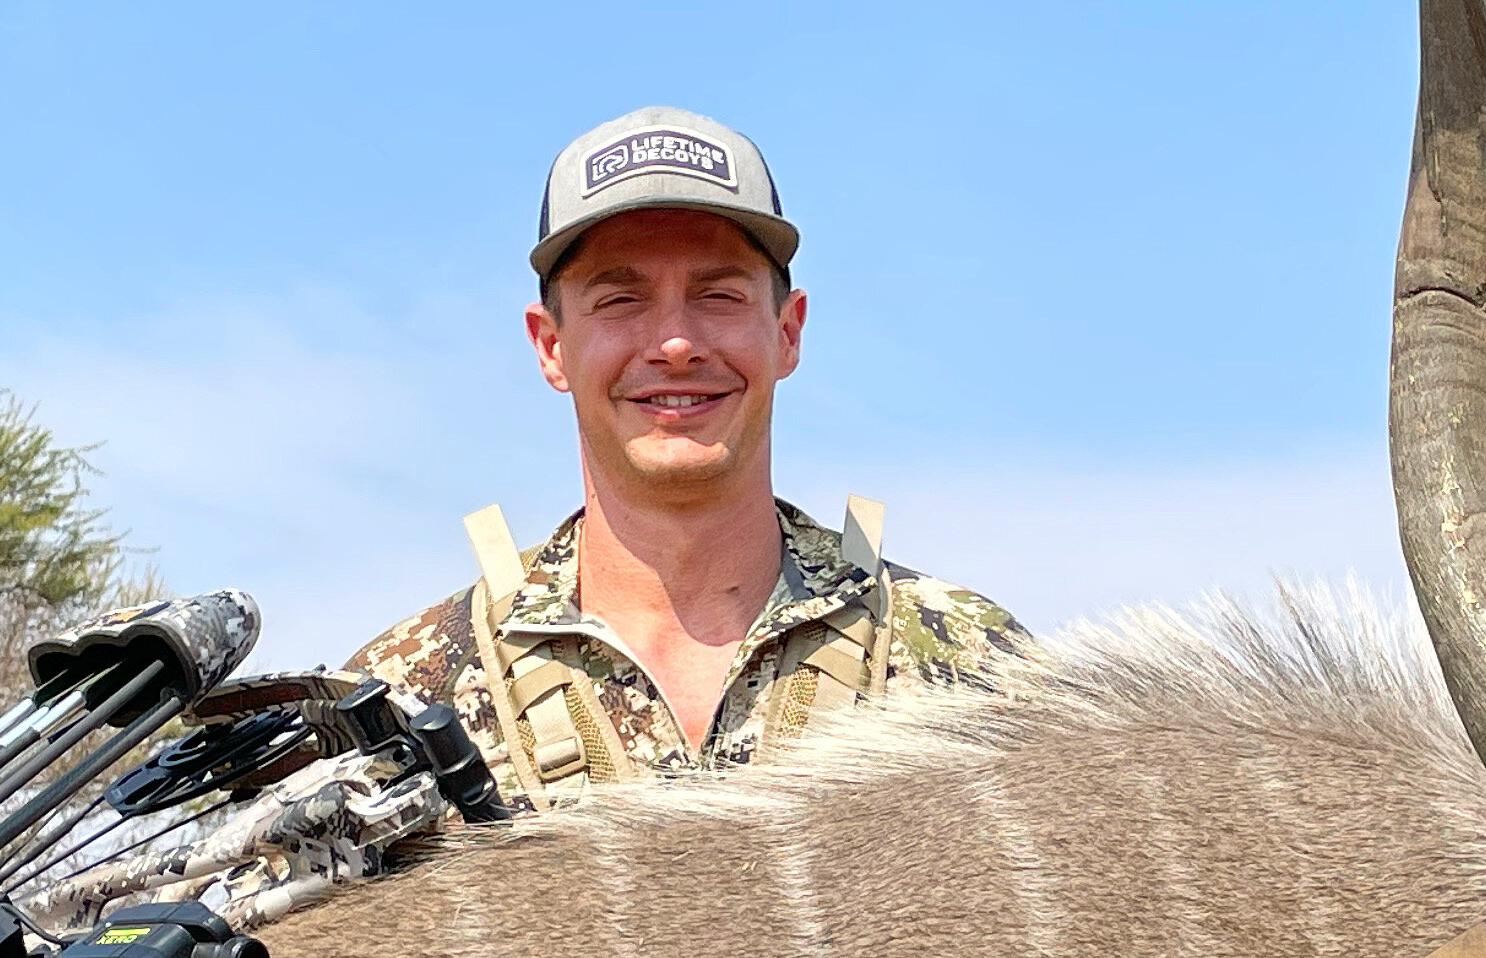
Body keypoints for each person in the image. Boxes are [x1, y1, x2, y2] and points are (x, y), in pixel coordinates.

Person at [346, 107, 1027, 807]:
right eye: (621, 299)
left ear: (787, 332)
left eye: (718, 295)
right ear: (550, 346)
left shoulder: (972, 668)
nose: (674, 342)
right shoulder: (406, 698)